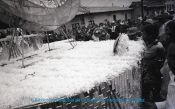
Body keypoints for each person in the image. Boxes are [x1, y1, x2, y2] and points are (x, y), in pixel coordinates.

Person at [141, 24, 165, 102]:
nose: (142, 36)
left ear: (150, 35)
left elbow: (144, 56)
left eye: (144, 33)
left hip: (152, 78)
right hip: (151, 76)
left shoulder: (156, 47)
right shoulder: (153, 43)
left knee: (150, 99)